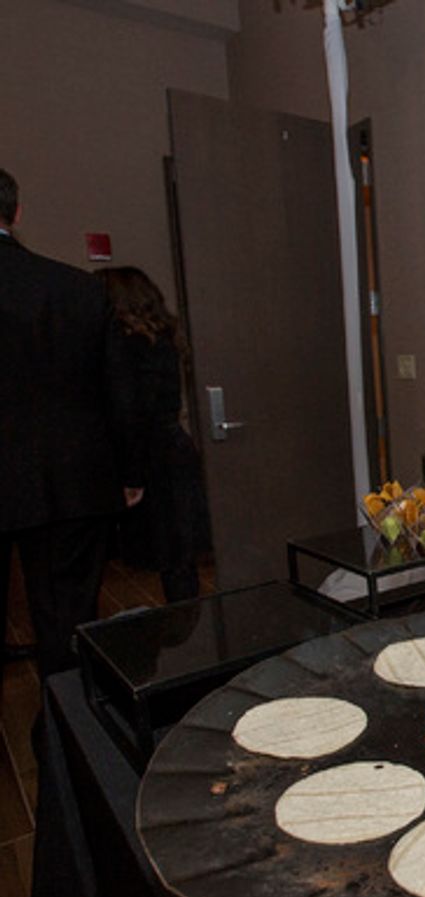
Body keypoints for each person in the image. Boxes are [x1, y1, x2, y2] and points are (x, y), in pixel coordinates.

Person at [0, 168, 142, 678]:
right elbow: (117, 393)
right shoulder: (76, 289)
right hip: (71, 479)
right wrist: (130, 472)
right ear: (16, 214)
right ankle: (64, 745)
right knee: (68, 624)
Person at [96, 266, 209, 603]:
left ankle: (186, 637)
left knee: (173, 558)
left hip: (156, 459)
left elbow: (132, 411)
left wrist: (130, 475)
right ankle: (190, 635)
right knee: (179, 559)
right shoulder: (164, 337)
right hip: (172, 451)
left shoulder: (130, 344)